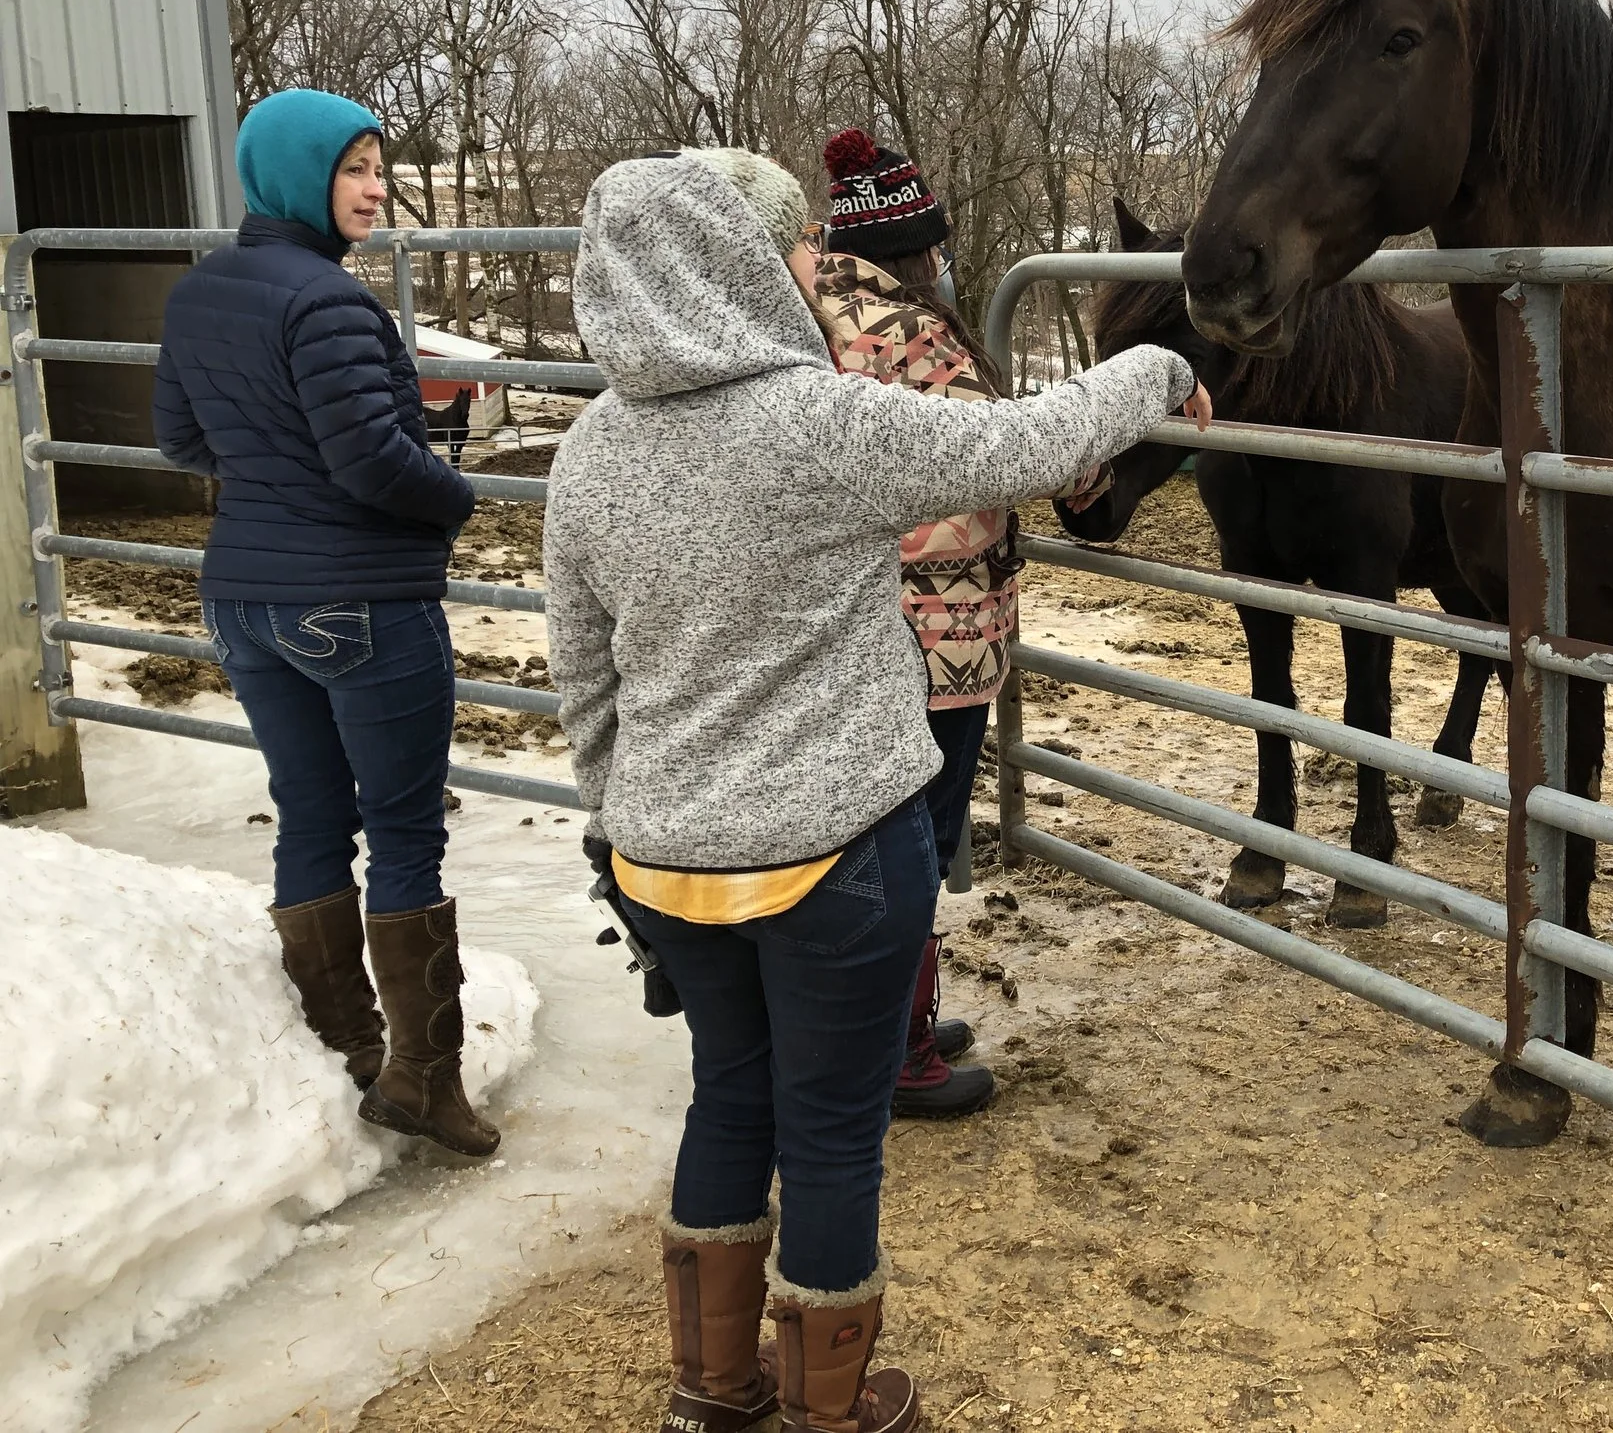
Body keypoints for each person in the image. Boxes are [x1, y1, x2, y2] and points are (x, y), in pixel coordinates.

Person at [544, 148, 1206, 1433]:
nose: (801, 269)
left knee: (732, 1094)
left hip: (670, 861)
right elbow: (1029, 443)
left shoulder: (587, 454)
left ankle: (712, 1387)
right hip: (835, 852)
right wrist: (1161, 365)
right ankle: (829, 1409)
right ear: (735, 259)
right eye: (779, 248)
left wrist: (619, 826)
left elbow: (586, 686)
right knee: (836, 1131)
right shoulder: (819, 417)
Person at [152, 87, 497, 1159]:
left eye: (376, 164)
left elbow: (181, 439)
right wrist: (455, 498)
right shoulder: (332, 303)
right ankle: (422, 1081)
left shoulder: (204, 291)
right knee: (402, 829)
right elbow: (370, 461)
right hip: (358, 598)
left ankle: (345, 1042)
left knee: (308, 814)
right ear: (298, 176)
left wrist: (270, 482)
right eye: (352, 167)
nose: (374, 184)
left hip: (243, 596)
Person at [810, 128, 1091, 1120]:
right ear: (917, 244)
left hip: (871, 607)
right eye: (936, 242)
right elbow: (999, 451)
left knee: (891, 825)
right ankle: (897, 1055)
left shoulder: (822, 304)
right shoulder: (913, 336)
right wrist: (1092, 452)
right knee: (916, 834)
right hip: (938, 620)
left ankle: (897, 1025)